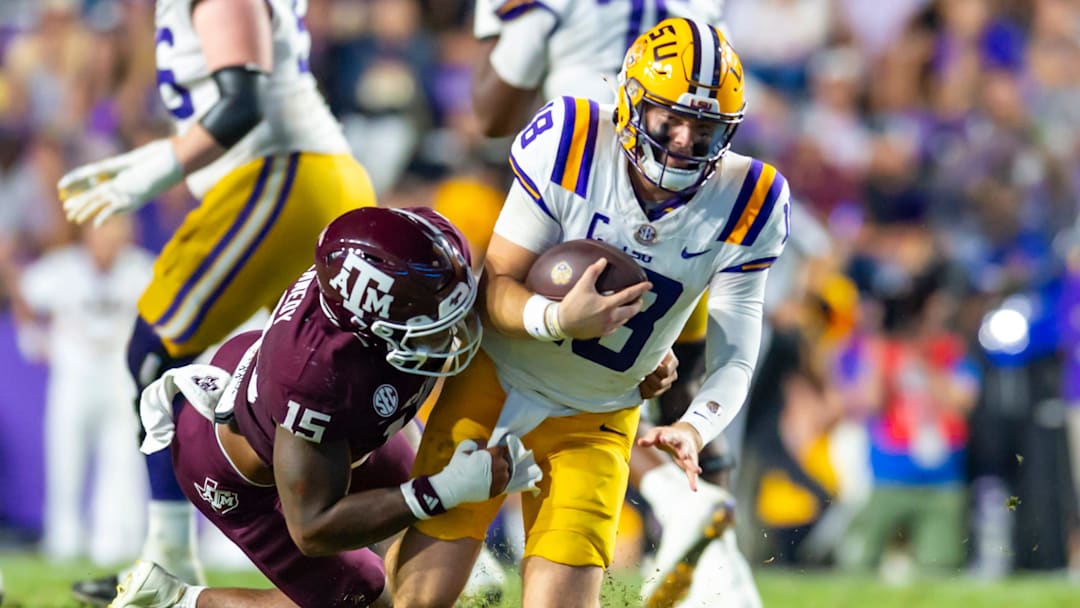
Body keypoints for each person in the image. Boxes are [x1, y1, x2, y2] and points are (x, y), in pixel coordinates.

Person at [389, 18, 789, 607]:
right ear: (631, 104)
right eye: (669, 119)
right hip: (493, 385)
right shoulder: (574, 139)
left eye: (702, 129)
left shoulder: (750, 199)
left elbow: (736, 354)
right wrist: (558, 322)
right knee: (417, 601)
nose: (681, 140)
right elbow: (493, 288)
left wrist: (693, 425)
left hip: (596, 417)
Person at [57, 0, 376, 603]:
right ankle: (433, 539)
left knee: (158, 353)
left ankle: (170, 555)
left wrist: (158, 167)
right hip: (312, 176)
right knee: (342, 377)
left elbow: (242, 101)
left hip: (282, 175)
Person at [109, 206, 542, 608]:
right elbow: (313, 528)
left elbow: (385, 410)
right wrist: (442, 490)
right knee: (365, 598)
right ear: (369, 324)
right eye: (429, 322)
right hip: (232, 469)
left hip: (292, 403)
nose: (453, 329)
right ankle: (178, 600)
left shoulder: (419, 246)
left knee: (424, 553)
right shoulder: (316, 380)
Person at [13, 217, 154, 566]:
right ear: (86, 233)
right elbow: (24, 290)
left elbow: (165, 312)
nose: (109, 239)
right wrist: (32, 337)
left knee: (123, 460)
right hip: (73, 377)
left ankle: (115, 540)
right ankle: (63, 539)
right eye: (103, 230)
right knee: (65, 457)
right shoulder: (62, 268)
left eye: (117, 230)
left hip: (120, 377)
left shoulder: (143, 269)